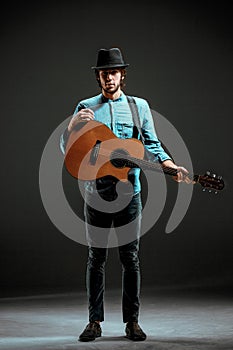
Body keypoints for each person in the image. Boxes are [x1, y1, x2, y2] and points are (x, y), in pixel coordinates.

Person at [60, 47, 190, 342]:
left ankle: (132, 322)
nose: (109, 78)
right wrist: (71, 126)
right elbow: (69, 151)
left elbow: (152, 144)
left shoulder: (138, 107)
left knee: (130, 258)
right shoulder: (85, 106)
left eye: (113, 73)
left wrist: (170, 166)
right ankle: (94, 322)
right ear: (99, 77)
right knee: (96, 259)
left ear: (122, 75)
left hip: (130, 193)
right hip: (96, 194)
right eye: (104, 74)